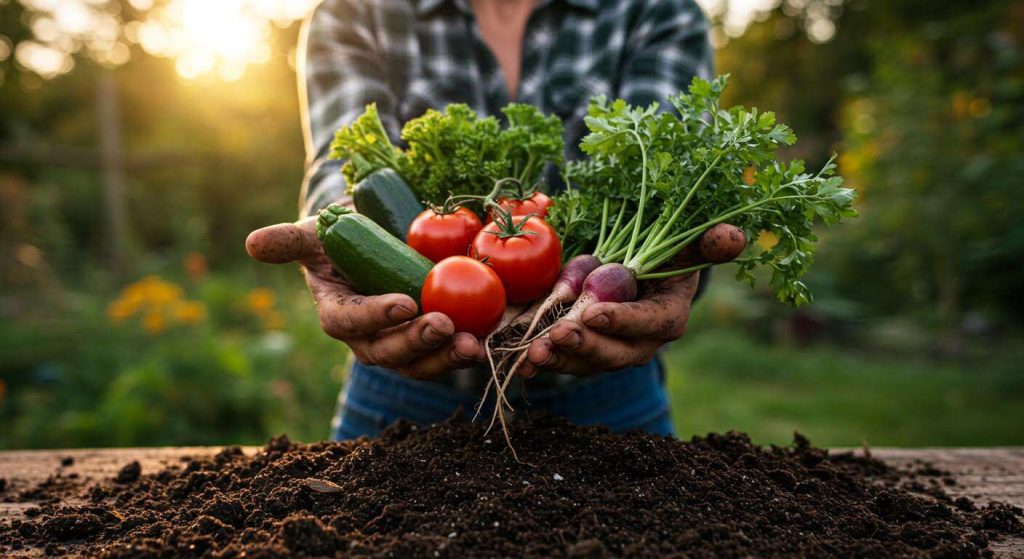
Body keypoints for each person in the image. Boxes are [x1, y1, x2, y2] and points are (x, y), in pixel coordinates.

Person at [246, 0, 719, 440]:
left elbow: (666, 180)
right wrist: (344, 226)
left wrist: (677, 257)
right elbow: (345, 163)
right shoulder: (359, 9)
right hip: (399, 393)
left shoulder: (657, 10)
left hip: (612, 395)